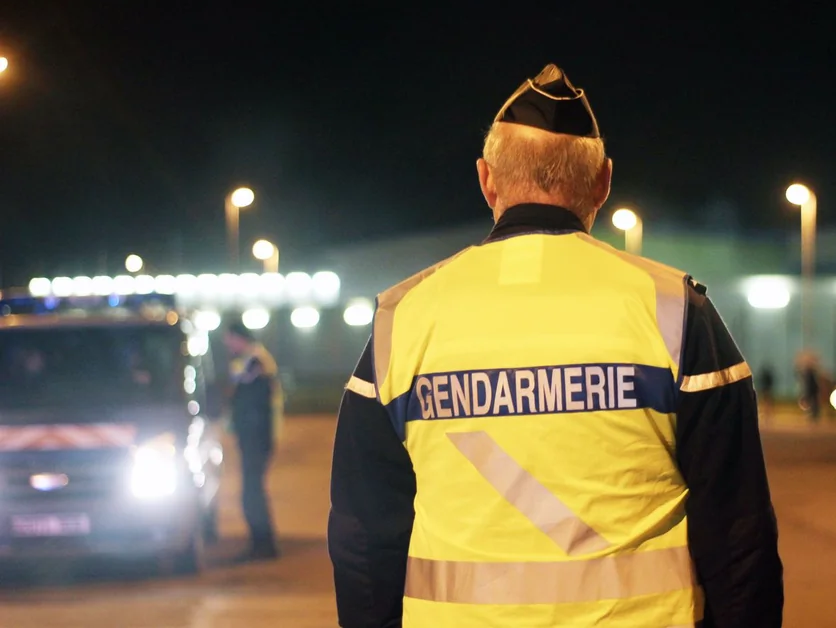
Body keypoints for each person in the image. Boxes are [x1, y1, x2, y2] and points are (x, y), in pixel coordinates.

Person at [328, 64, 783, 628]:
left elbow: (362, 537)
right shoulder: (676, 312)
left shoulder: (403, 318)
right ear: (603, 182)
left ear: (486, 180)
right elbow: (739, 536)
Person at [223, 321, 283, 560]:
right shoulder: (253, 358)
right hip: (255, 435)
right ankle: (261, 543)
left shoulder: (255, 360)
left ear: (239, 337)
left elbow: (250, 399)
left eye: (229, 339)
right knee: (252, 490)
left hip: (256, 436)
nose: (227, 345)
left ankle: (263, 544)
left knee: (252, 491)